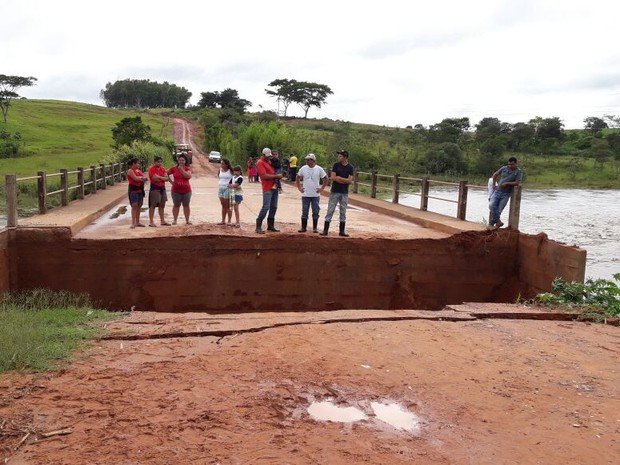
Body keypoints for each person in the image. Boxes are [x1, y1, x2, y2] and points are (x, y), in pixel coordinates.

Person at [321, 150, 354, 237]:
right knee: (330, 210)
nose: (338, 158)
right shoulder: (336, 165)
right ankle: (325, 230)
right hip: (335, 191)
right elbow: (333, 177)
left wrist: (339, 178)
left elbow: (349, 180)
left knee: (343, 211)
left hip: (344, 192)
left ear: (345, 157)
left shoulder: (350, 167)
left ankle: (342, 231)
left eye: (340, 156)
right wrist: (344, 180)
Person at [489, 157, 523, 229]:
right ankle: (497, 222)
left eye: (512, 164)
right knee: (491, 206)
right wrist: (494, 183)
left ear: (516, 164)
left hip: (506, 194)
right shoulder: (504, 168)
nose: (510, 166)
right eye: (509, 164)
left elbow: (517, 182)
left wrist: (507, 183)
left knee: (499, 210)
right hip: (497, 191)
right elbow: (495, 174)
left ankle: (491, 225)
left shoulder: (518, 172)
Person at [296, 153, 327, 233]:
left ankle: (315, 228)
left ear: (313, 160)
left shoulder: (319, 169)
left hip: (315, 194)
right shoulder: (303, 168)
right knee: (305, 211)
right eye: (306, 160)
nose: (307, 161)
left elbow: (325, 178)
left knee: (316, 211)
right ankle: (303, 227)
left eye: (309, 160)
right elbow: (298, 177)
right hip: (306, 194)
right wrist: (299, 187)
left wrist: (322, 188)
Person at [255, 147, 283, 234]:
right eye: (267, 156)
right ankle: (258, 226)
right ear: (263, 155)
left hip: (274, 187)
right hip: (267, 187)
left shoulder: (269, 162)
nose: (268, 157)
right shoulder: (260, 163)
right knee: (266, 206)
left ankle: (270, 225)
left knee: (274, 206)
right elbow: (263, 176)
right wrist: (276, 176)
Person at [167, 153, 193, 225]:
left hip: (186, 191)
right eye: (180, 160)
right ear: (178, 161)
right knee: (176, 205)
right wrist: (171, 182)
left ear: (185, 161)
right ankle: (175, 220)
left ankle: (187, 220)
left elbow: (188, 176)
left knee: (186, 205)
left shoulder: (187, 168)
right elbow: (166, 173)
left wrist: (182, 170)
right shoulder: (174, 168)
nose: (181, 161)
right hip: (175, 191)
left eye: (183, 160)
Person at [147, 156, 170, 227]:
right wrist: (162, 178)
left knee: (162, 205)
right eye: (158, 162)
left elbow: (167, 179)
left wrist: (159, 177)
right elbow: (154, 178)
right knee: (153, 205)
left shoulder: (163, 169)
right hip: (155, 189)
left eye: (160, 162)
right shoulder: (151, 169)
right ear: (154, 162)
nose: (159, 163)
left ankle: (162, 221)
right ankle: (151, 221)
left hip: (162, 188)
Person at [127, 157, 148, 229]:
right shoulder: (130, 171)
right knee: (134, 205)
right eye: (138, 163)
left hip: (140, 189)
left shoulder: (138, 171)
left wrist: (141, 178)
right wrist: (141, 178)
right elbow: (135, 178)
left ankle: (137, 222)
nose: (139, 164)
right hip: (133, 189)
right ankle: (133, 222)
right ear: (133, 163)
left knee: (139, 205)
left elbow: (145, 178)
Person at [217, 158, 234, 225]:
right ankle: (223, 220)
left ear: (227, 165)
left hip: (228, 189)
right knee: (223, 205)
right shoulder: (220, 170)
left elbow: (236, 177)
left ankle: (229, 221)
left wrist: (232, 185)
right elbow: (219, 177)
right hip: (221, 188)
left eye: (223, 164)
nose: (221, 165)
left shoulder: (230, 171)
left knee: (228, 206)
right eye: (221, 163)